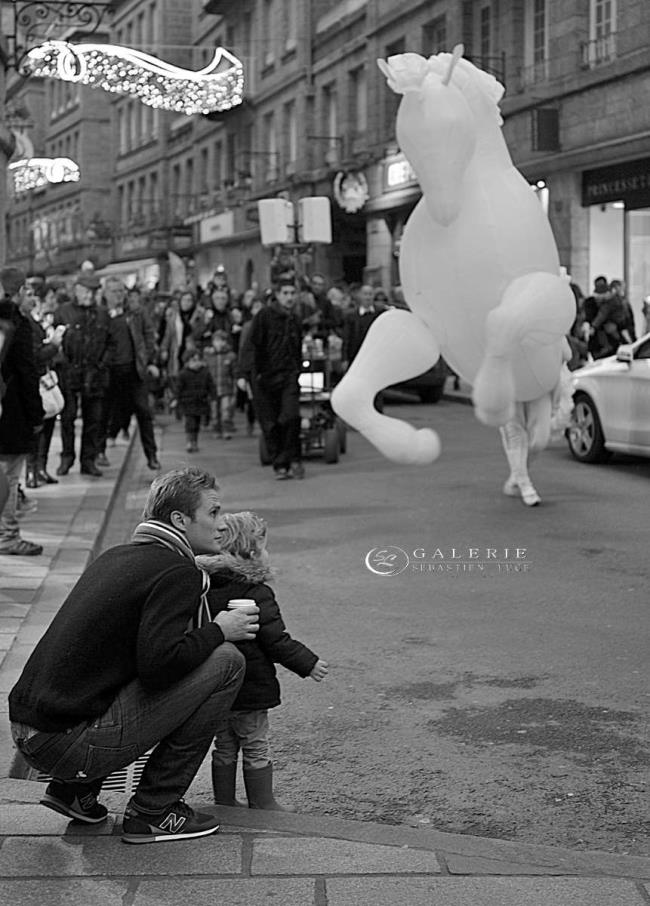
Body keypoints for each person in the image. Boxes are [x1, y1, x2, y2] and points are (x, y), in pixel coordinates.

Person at [9, 467, 260, 843]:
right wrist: (220, 630)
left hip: (29, 731)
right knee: (226, 662)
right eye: (213, 513)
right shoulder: (177, 571)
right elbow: (160, 667)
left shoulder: (119, 556)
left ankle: (74, 791)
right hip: (66, 744)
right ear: (179, 520)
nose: (222, 525)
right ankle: (154, 810)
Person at [196, 511, 328, 810]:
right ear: (251, 552)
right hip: (251, 687)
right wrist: (308, 663)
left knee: (225, 745)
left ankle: (226, 801)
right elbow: (275, 640)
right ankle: (263, 802)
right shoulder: (256, 592)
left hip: (216, 685)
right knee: (255, 744)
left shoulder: (204, 588)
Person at [239, 279, 304, 479]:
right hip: (264, 378)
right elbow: (250, 345)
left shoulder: (295, 318)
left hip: (288, 375)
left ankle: (293, 458)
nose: (290, 297)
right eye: (285, 293)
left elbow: (297, 347)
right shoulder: (264, 316)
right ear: (277, 294)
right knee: (270, 423)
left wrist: (297, 368)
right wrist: (244, 374)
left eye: (293, 292)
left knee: (291, 416)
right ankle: (280, 464)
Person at [0, 267, 45, 556]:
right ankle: (7, 535)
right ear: (18, 292)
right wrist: (36, 415)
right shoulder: (16, 323)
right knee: (9, 476)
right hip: (10, 411)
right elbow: (28, 373)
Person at [99, 277, 161, 471]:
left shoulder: (136, 313)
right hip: (110, 371)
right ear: (105, 294)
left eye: (121, 291)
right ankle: (99, 451)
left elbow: (149, 335)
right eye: (114, 291)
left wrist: (149, 359)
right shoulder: (101, 315)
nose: (118, 294)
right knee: (104, 412)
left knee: (144, 412)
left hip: (134, 370)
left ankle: (151, 455)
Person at [54, 273, 111, 477]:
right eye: (86, 290)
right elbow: (55, 341)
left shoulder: (103, 314)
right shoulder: (63, 312)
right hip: (70, 372)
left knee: (93, 420)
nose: (90, 295)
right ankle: (66, 458)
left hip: (94, 374)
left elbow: (110, 343)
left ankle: (88, 460)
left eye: (94, 291)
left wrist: (101, 365)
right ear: (76, 290)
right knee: (68, 418)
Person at [19, 283, 66, 487]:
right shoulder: (25, 323)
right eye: (28, 295)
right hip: (34, 382)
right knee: (35, 428)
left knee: (46, 426)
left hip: (41, 379)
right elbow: (35, 356)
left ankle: (40, 468)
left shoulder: (32, 321)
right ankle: (32, 471)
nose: (32, 300)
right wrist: (54, 344)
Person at [176, 349, 215, 452]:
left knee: (197, 423)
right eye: (193, 360)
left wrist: (213, 396)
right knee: (190, 423)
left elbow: (211, 385)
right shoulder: (183, 374)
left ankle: (194, 442)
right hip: (187, 402)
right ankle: (189, 441)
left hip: (200, 402)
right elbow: (178, 388)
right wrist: (176, 399)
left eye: (198, 360)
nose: (196, 363)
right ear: (187, 362)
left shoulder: (205, 372)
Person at [204, 329, 236, 439]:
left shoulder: (230, 356)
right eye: (216, 341)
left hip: (226, 387)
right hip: (213, 388)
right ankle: (216, 429)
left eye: (221, 341)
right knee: (214, 411)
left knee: (226, 410)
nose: (218, 343)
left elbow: (234, 372)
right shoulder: (208, 356)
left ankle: (226, 429)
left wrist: (234, 385)